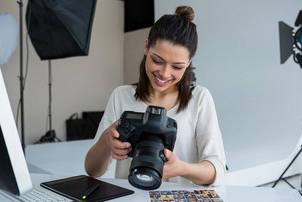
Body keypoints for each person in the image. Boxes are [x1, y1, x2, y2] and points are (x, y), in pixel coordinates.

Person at [85, 6, 226, 186]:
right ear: (146, 47)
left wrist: (181, 168)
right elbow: (92, 171)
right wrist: (106, 140)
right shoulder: (121, 96)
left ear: (189, 62)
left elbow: (218, 172)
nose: (165, 74)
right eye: (157, 61)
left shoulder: (199, 99)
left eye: (177, 67)